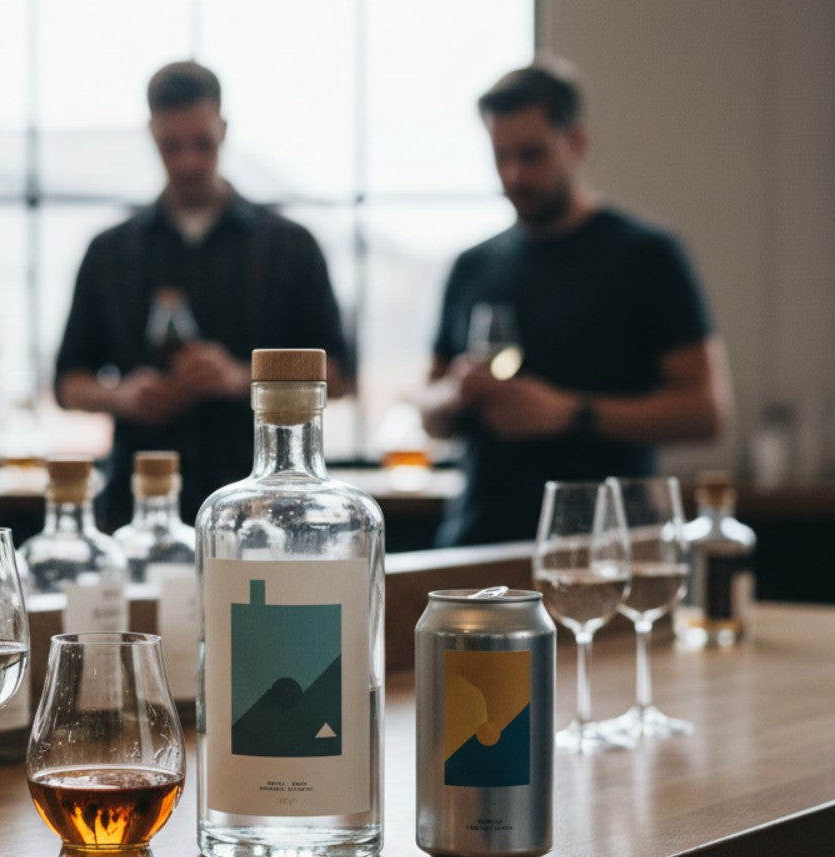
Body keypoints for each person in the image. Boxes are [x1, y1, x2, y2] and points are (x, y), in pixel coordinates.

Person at [419, 60, 733, 547]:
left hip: (609, 549)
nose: (514, 175)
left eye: (532, 155)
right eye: (501, 157)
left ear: (577, 142)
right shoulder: (472, 265)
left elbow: (706, 413)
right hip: (478, 542)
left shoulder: (646, 256)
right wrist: (456, 394)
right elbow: (430, 412)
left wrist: (571, 412)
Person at [55, 60, 352, 528]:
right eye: (171, 146)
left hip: (265, 516)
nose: (188, 162)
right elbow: (67, 384)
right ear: (152, 135)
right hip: (136, 511)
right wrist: (123, 397)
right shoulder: (109, 251)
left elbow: (340, 376)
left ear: (224, 130)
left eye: (202, 143)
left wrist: (241, 379)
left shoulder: (291, 246)